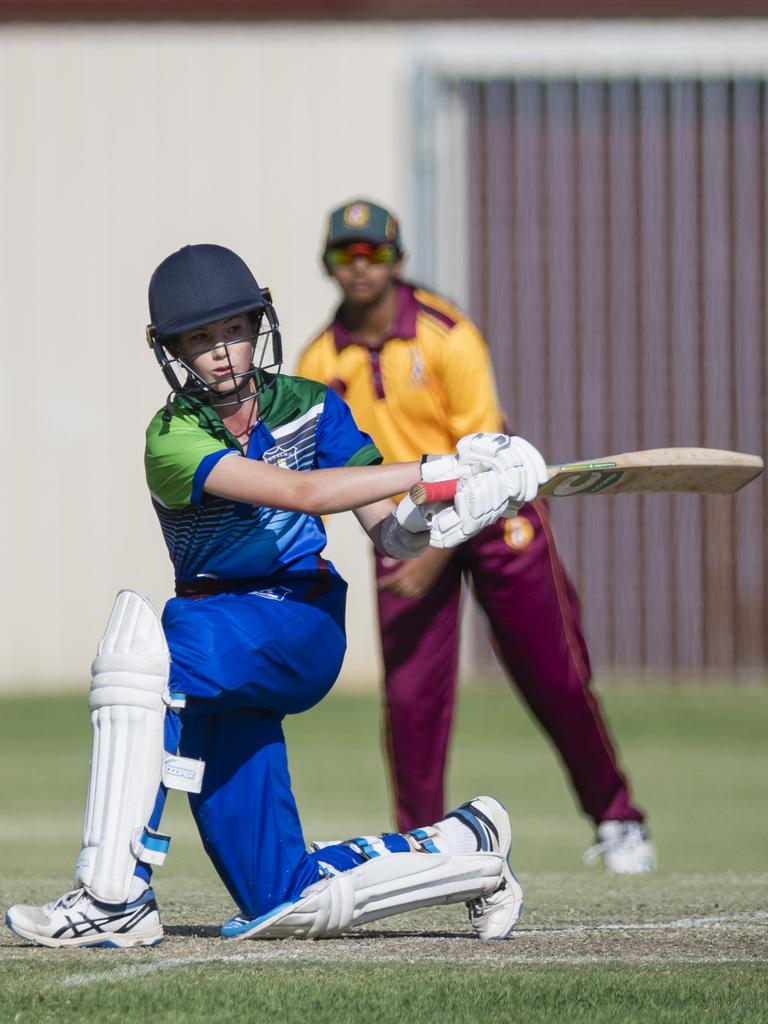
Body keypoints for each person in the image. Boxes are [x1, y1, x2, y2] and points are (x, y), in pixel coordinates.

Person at [6, 243, 549, 949]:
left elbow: (396, 541)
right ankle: (471, 848)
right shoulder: (172, 437)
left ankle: (113, 895)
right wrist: (433, 468)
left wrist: (456, 504)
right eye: (199, 340)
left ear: (257, 324)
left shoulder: (314, 407)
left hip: (299, 623)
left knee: (146, 648)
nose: (222, 353)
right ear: (172, 352)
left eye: (233, 330)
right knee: (284, 901)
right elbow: (298, 492)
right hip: (222, 652)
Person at [298, 199, 656, 874]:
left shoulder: (446, 333)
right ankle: (424, 850)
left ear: (396, 259)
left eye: (372, 253)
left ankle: (618, 819)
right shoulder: (321, 360)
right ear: (330, 266)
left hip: (497, 517)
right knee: (410, 699)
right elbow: (333, 471)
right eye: (347, 255)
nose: (360, 267)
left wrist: (438, 550)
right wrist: (412, 541)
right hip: (405, 528)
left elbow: (487, 467)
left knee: (553, 675)